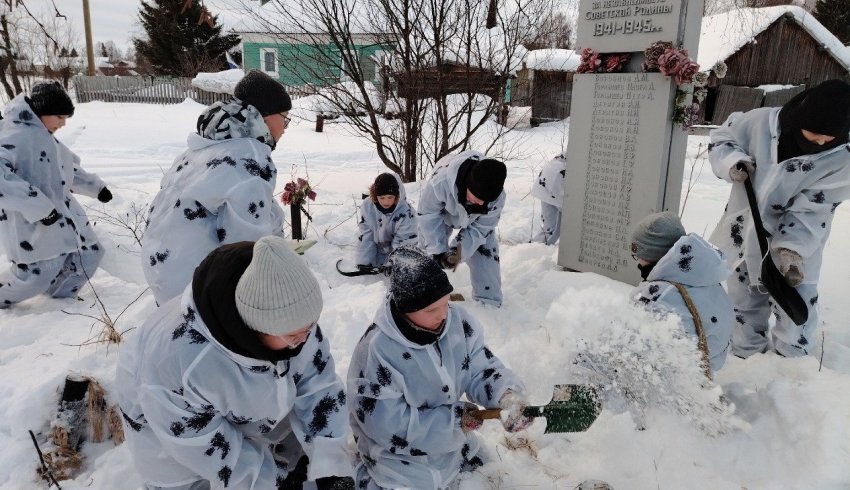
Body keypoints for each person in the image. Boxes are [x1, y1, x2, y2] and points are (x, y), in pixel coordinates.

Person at [117, 236, 354, 489]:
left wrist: (331, 467)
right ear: (256, 328)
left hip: (235, 400)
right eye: (294, 334)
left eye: (310, 327)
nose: (305, 338)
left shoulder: (293, 321)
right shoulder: (183, 363)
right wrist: (273, 483)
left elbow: (319, 385)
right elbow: (205, 446)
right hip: (167, 425)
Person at [347, 247, 531, 490]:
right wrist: (453, 423)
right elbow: (386, 425)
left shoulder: (458, 324)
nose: (444, 315)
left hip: (453, 448)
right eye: (431, 310)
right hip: (398, 459)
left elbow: (480, 367)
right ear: (405, 309)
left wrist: (505, 395)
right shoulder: (377, 351)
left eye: (446, 303)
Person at [708, 79, 850, 358]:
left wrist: (791, 250)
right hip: (745, 228)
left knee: (795, 299)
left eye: (829, 137)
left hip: (801, 241)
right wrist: (732, 161)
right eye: (814, 134)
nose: (821, 142)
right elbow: (722, 138)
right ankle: (745, 351)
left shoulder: (841, 159)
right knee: (743, 294)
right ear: (800, 119)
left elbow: (815, 208)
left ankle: (791, 359)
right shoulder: (760, 123)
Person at [141, 70, 291, 305]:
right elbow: (246, 245)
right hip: (197, 287)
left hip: (162, 270)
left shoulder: (210, 144)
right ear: (265, 116)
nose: (285, 127)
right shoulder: (251, 156)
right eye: (285, 117)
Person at [0, 81, 112, 308]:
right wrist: (39, 209)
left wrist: (96, 187)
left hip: (66, 213)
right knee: (38, 274)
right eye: (59, 117)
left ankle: (60, 301)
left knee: (90, 254)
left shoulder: (46, 135)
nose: (63, 123)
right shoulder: (12, 137)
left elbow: (68, 168)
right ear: (42, 111)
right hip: (33, 222)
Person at [630, 212, 733, 373]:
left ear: (651, 254)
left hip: (664, 382)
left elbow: (627, 345)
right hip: (702, 374)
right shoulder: (708, 279)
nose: (638, 261)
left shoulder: (656, 297)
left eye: (637, 255)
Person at [417, 150, 507, 306]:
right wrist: (437, 250)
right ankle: (422, 296)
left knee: (485, 250)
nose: (480, 203)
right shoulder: (440, 183)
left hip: (476, 222)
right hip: (442, 215)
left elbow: (480, 230)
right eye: (477, 198)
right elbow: (428, 216)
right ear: (467, 185)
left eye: (485, 201)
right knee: (427, 253)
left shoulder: (496, 197)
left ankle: (489, 304)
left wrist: (457, 252)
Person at [354, 172, 417, 269]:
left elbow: (404, 242)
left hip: (397, 252)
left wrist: (393, 264)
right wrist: (364, 262)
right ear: (375, 196)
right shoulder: (368, 207)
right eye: (382, 198)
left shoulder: (406, 213)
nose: (386, 202)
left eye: (390, 197)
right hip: (377, 251)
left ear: (396, 196)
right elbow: (366, 235)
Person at [530, 152, 566, 245]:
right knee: (553, 228)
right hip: (558, 181)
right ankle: (535, 251)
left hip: (550, 176)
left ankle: (534, 247)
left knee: (550, 226)